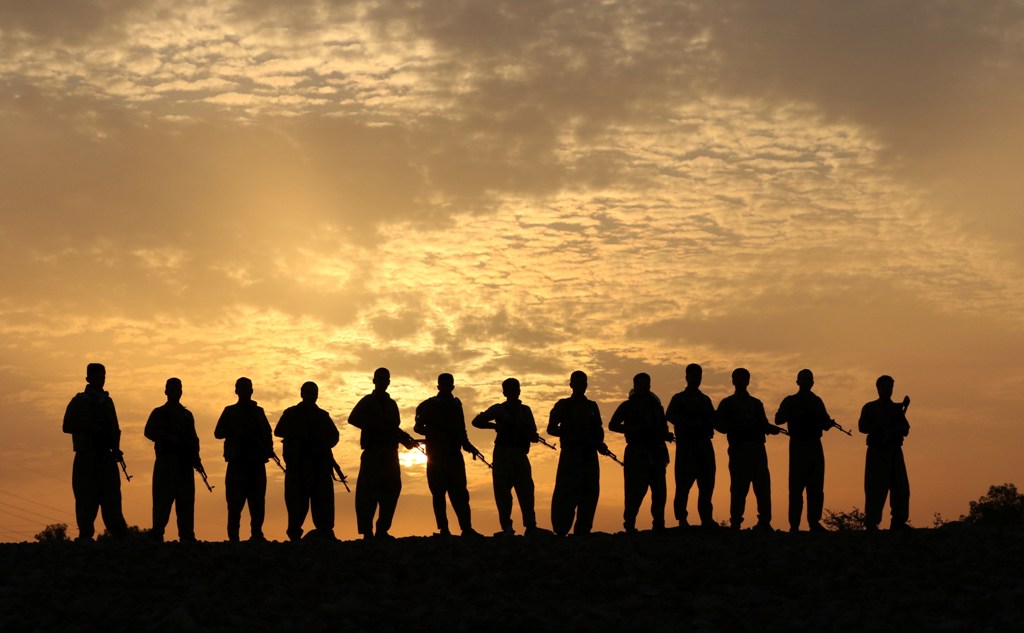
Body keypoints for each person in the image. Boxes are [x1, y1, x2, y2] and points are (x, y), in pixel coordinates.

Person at [62, 363, 129, 541]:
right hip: (86, 455)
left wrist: (116, 447)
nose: (101, 380)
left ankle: (120, 536)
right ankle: (85, 535)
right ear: (88, 379)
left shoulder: (107, 402)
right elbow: (67, 425)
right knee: (86, 497)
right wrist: (89, 426)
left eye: (103, 377)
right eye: (97, 377)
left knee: (112, 497)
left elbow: (115, 428)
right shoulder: (79, 401)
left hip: (106, 455)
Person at [348, 367, 417, 540]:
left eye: (386, 379)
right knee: (367, 493)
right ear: (374, 381)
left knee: (391, 491)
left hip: (390, 455)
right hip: (373, 453)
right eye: (380, 379)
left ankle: (382, 530)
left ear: (389, 382)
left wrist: (405, 440)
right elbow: (353, 418)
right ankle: (367, 532)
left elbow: (393, 429)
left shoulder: (392, 404)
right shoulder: (367, 401)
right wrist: (374, 425)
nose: (383, 382)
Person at [414, 373, 482, 537]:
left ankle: (466, 528)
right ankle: (444, 529)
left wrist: (468, 446)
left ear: (452, 387)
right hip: (436, 456)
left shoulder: (456, 405)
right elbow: (417, 428)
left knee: (460, 494)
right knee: (438, 494)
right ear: (439, 386)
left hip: (453, 455)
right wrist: (435, 433)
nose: (446, 388)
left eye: (448, 385)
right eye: (443, 385)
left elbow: (461, 430)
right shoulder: (427, 405)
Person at [472, 378, 541, 536]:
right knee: (503, 492)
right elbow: (476, 421)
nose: (513, 392)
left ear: (519, 390)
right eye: (509, 389)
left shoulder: (525, 410)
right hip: (503, 453)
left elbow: (533, 432)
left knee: (526, 490)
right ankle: (507, 527)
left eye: (515, 388)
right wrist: (496, 426)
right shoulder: (498, 409)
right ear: (504, 392)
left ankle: (531, 526)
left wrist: (531, 435)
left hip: (520, 453)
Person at [715, 368, 780, 531]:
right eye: (738, 378)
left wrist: (769, 428)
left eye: (744, 378)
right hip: (739, 450)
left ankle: (764, 522)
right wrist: (737, 427)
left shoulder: (756, 404)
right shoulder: (727, 403)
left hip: (757, 449)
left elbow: (763, 423)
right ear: (733, 381)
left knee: (762, 487)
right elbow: (718, 424)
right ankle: (736, 521)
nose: (741, 381)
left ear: (748, 381)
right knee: (738, 487)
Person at [275, 381, 340, 541]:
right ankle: (295, 536)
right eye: (308, 392)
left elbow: (334, 437)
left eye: (313, 393)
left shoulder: (322, 416)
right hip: (298, 467)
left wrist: (319, 442)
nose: (311, 396)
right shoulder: (291, 414)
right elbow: (279, 431)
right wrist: (299, 435)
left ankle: (325, 534)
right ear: (302, 394)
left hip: (319, 467)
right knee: (296, 504)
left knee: (323, 502)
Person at [608, 373, 671, 533]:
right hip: (636, 452)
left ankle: (659, 524)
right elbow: (613, 425)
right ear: (635, 386)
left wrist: (665, 435)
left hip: (656, 452)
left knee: (659, 491)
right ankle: (629, 524)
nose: (644, 387)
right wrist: (633, 429)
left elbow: (664, 428)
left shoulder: (657, 406)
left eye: (646, 384)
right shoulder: (627, 406)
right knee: (634, 491)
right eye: (641, 384)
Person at [214, 377, 274, 542]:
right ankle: (234, 538)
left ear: (252, 391)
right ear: (236, 391)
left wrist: (267, 448)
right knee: (234, 504)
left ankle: (256, 534)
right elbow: (218, 432)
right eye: (242, 387)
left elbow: (268, 434)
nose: (245, 391)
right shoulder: (230, 411)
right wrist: (237, 431)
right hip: (237, 463)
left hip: (255, 463)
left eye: (248, 388)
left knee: (257, 503)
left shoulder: (258, 412)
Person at [547, 370, 607, 537]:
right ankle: (561, 530)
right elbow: (551, 429)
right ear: (571, 384)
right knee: (565, 492)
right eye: (577, 382)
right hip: (571, 455)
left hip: (589, 454)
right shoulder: (563, 405)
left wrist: (599, 443)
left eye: (584, 382)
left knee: (590, 492)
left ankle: (583, 530)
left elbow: (598, 429)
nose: (581, 385)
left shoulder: (592, 406)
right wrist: (569, 434)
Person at [144, 377, 203, 542]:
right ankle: (157, 534)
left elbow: (193, 439)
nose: (176, 392)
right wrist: (168, 438)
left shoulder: (187, 415)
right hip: (166, 462)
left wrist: (196, 457)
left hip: (184, 463)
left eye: (178, 389)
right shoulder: (159, 412)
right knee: (162, 501)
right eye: (172, 389)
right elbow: (149, 431)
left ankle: (187, 536)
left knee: (186, 502)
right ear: (166, 391)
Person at [774, 369, 833, 532]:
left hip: (814, 444)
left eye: (809, 380)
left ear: (812, 382)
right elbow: (778, 419)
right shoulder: (790, 401)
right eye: (804, 379)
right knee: (796, 487)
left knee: (816, 486)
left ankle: (814, 522)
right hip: (798, 445)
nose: (807, 382)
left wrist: (826, 423)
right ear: (798, 382)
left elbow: (825, 421)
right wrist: (795, 414)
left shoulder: (817, 401)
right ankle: (794, 525)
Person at [665, 363, 717, 528]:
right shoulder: (679, 398)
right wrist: (689, 423)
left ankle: (706, 518)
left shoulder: (705, 399)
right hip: (686, 445)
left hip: (704, 444)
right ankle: (681, 518)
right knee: (683, 484)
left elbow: (713, 419)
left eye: (698, 376)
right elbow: (670, 415)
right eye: (693, 376)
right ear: (687, 377)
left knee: (707, 483)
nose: (696, 379)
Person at [858, 375, 911, 531]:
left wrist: (897, 429)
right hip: (877, 452)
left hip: (894, 450)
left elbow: (906, 428)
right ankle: (872, 523)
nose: (887, 390)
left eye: (889, 387)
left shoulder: (897, 409)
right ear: (878, 388)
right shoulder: (870, 407)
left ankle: (898, 521)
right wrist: (879, 428)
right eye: (884, 387)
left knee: (901, 487)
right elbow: (862, 427)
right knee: (875, 488)